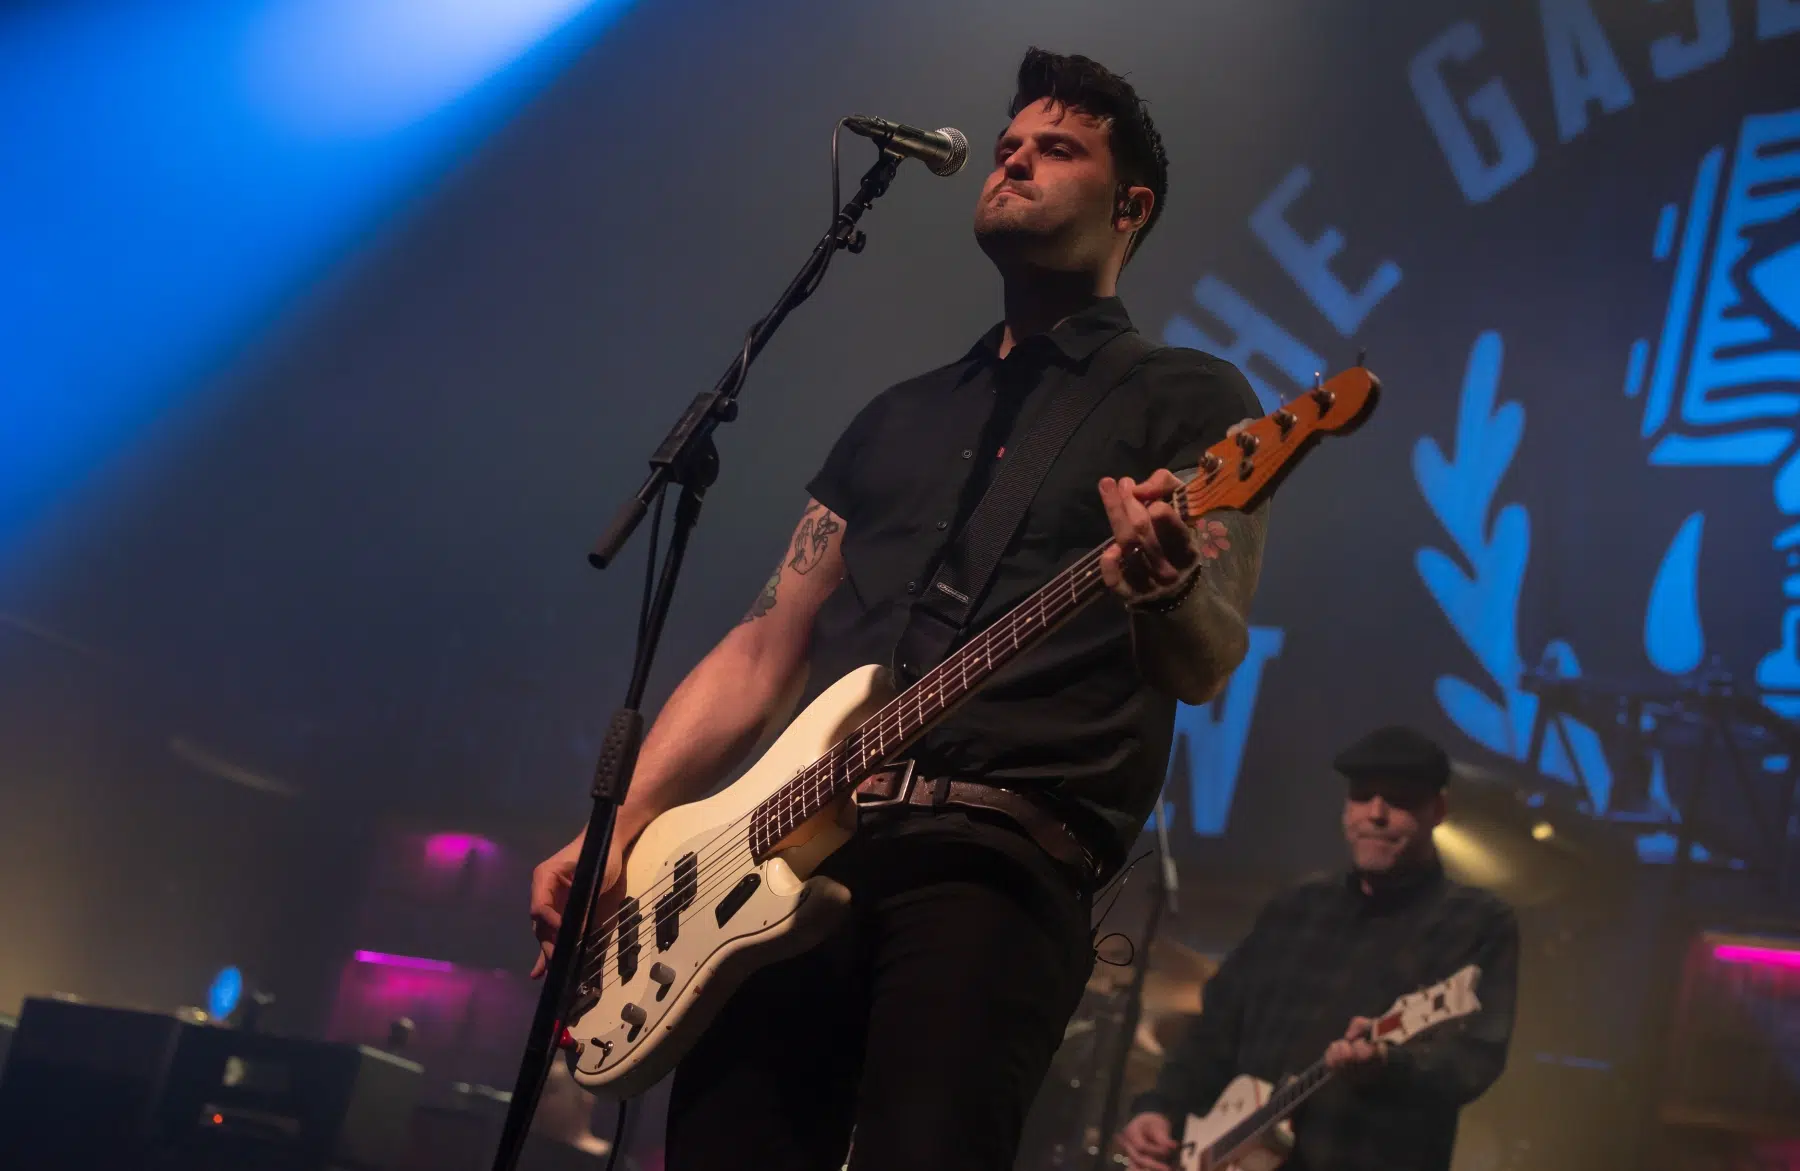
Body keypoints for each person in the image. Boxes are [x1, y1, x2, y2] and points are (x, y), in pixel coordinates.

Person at [531, 48, 1266, 1171]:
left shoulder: (1189, 397)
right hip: (782, 857)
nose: (1013, 158)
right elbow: (764, 647)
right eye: (1008, 143)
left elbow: (1207, 657)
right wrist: (616, 829)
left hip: (992, 871)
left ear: (1130, 209)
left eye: (1056, 148)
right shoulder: (899, 415)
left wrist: (1165, 588)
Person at [1116, 726, 1520, 1171]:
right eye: (1362, 796)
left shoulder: (1475, 922)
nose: (1376, 813)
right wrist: (1161, 1107)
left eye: (1399, 799)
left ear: (1438, 810)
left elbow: (1474, 1060)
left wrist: (1390, 1065)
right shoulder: (1295, 909)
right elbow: (1215, 1031)